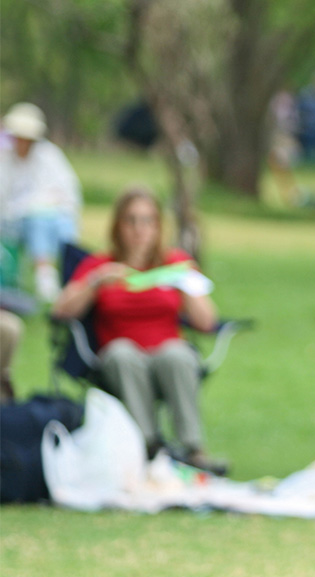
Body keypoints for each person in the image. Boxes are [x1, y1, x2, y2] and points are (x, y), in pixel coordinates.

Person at [51, 186, 226, 474]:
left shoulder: (175, 263)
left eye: (147, 221)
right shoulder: (99, 265)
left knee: (177, 355)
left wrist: (186, 284)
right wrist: (94, 283)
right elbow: (60, 311)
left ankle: (194, 450)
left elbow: (207, 322)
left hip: (167, 353)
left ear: (158, 226)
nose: (139, 229)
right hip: (118, 358)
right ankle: (148, 446)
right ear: (117, 226)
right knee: (123, 354)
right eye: (130, 220)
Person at [0, 103, 82, 302]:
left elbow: (67, 194)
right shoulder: (5, 158)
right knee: (35, 221)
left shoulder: (50, 157)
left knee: (47, 224)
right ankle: (41, 276)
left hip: (54, 219)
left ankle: (55, 278)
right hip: (14, 222)